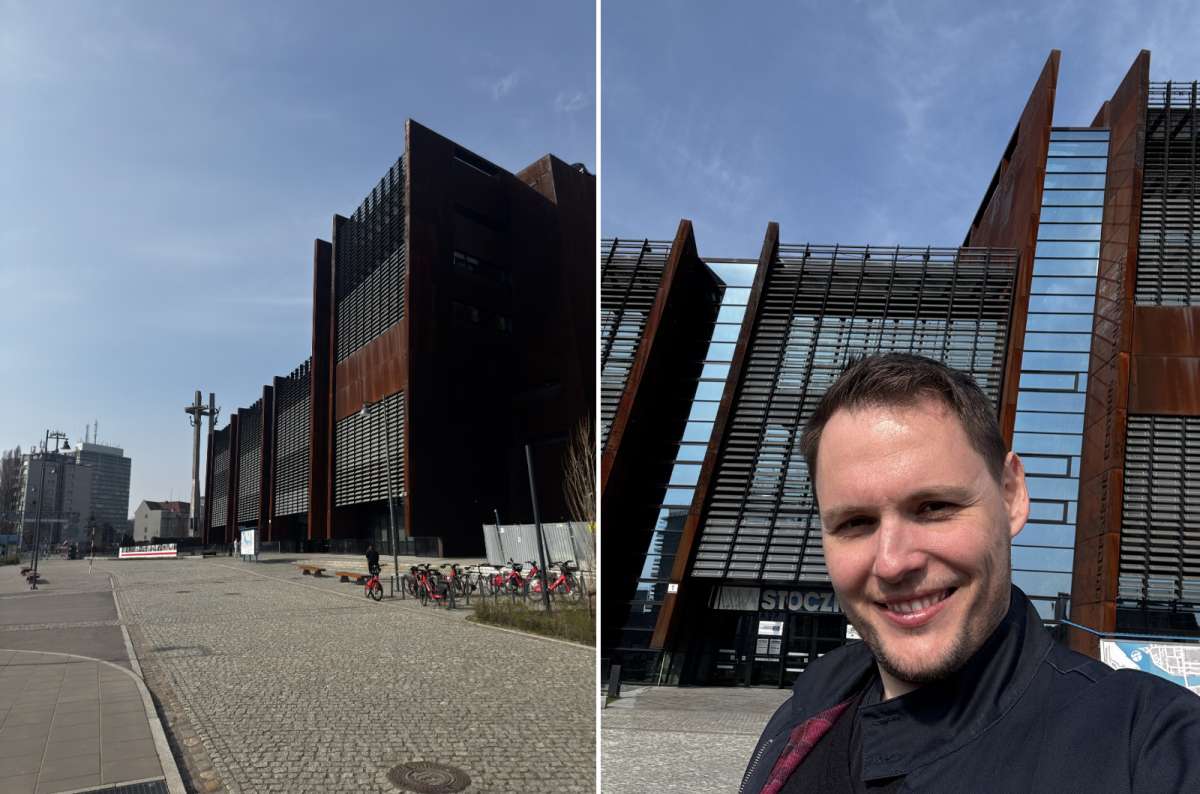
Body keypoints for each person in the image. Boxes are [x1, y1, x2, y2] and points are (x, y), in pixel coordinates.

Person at [741, 353, 1200, 794]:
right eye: (854, 523)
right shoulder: (812, 702)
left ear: (1011, 496)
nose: (892, 562)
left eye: (934, 507)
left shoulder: (1149, 742)